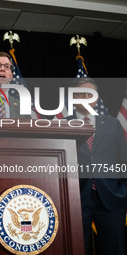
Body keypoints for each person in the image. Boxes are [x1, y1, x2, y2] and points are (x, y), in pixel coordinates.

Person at [66, 78, 127, 255]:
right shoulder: (62, 125)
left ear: (96, 97)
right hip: (75, 200)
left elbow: (123, 161)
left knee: (113, 249)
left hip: (111, 199)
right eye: (79, 94)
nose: (85, 97)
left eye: (89, 94)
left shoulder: (112, 124)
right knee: (76, 249)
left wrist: (122, 192)